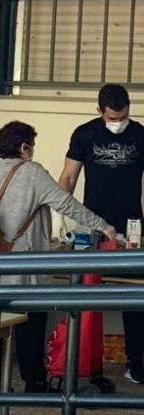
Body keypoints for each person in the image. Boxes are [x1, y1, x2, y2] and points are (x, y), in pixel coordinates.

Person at [0, 121, 114, 393]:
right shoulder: (33, 173)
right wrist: (103, 226)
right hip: (23, 268)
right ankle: (33, 381)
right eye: (31, 146)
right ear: (25, 148)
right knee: (29, 325)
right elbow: (66, 203)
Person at [58, 84, 144, 384]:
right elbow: (68, 177)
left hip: (132, 226)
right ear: (99, 111)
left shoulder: (140, 135)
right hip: (91, 225)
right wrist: (61, 218)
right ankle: (80, 362)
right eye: (112, 117)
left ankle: (137, 363)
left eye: (123, 117)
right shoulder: (85, 134)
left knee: (135, 295)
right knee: (85, 291)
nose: (118, 123)